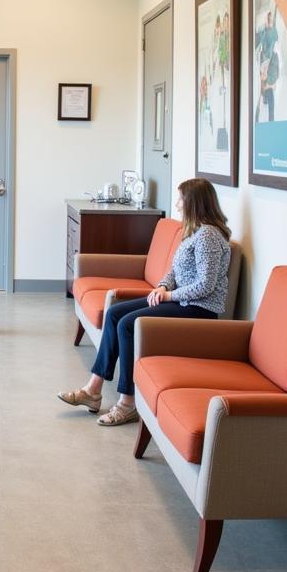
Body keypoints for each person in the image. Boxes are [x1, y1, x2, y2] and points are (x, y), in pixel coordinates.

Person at [57, 177, 231, 425]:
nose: (178, 204)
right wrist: (163, 285)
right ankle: (93, 390)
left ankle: (127, 403)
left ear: (194, 203)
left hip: (198, 310)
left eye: (181, 199)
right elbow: (175, 269)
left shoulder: (209, 237)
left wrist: (168, 295)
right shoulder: (193, 231)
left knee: (127, 325)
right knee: (115, 313)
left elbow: (205, 286)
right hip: (180, 301)